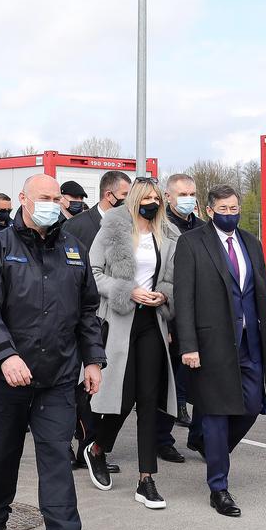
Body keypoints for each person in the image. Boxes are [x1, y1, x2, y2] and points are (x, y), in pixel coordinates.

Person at [0, 174, 105, 530]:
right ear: (24, 201)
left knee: (57, 460)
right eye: (43, 197)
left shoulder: (74, 250)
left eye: (54, 197)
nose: (51, 203)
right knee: (0, 455)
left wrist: (93, 359)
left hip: (58, 377)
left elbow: (87, 310)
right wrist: (5, 355)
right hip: (6, 377)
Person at [173, 183, 266, 518]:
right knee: (218, 413)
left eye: (234, 209)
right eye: (223, 210)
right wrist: (189, 345)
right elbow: (184, 297)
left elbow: (260, 293)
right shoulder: (191, 243)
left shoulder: (251, 242)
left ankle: (213, 447)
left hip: (251, 342)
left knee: (251, 406)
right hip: (212, 345)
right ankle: (218, 487)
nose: (229, 215)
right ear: (209, 211)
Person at [83, 176, 179, 510]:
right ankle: (97, 448)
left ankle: (146, 479)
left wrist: (162, 295)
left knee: (148, 398)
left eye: (157, 197)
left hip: (153, 319)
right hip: (120, 320)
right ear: (135, 199)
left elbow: (170, 277)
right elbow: (92, 272)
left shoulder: (167, 233)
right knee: (122, 396)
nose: (153, 202)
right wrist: (128, 291)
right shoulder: (112, 227)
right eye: (147, 196)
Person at [66, 170, 128, 474]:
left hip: (107, 319)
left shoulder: (129, 228)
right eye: (125, 196)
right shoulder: (78, 226)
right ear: (109, 195)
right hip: (78, 314)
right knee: (77, 385)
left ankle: (88, 447)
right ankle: (71, 444)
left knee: (96, 384)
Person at [164, 173, 203, 436]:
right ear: (168, 196)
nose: (188, 200)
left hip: (197, 311)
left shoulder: (202, 227)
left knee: (196, 375)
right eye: (182, 195)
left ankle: (198, 436)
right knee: (165, 378)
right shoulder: (160, 225)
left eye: (192, 195)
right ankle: (162, 439)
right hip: (169, 310)